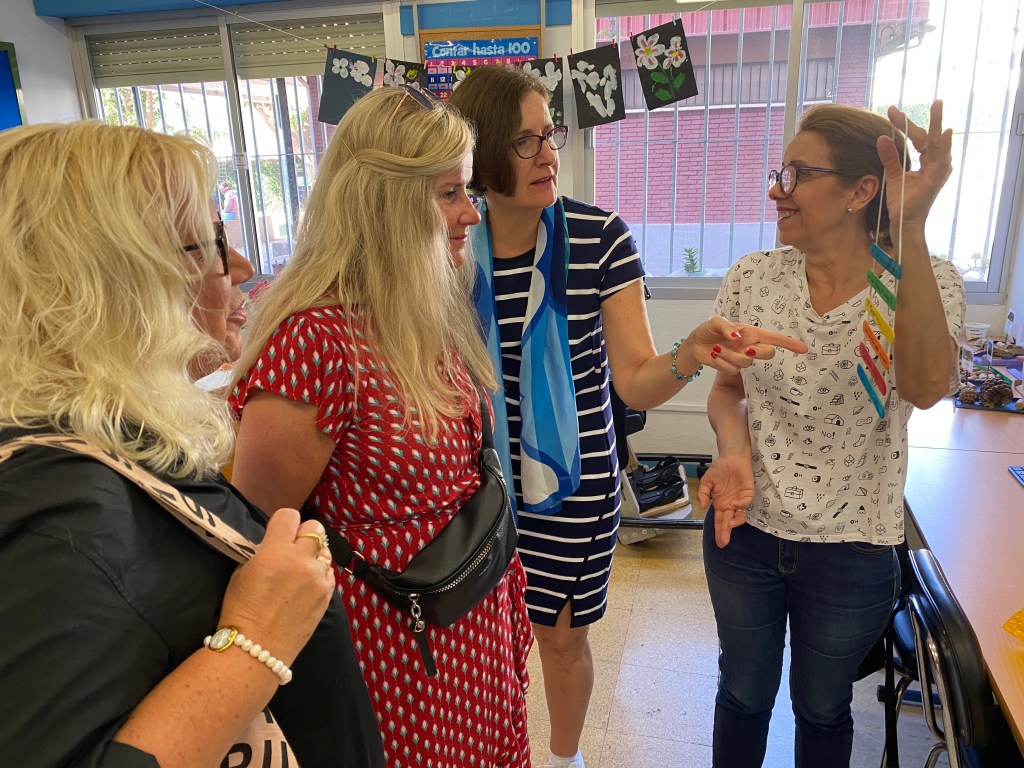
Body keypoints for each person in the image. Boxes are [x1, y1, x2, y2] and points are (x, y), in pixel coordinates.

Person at [447, 64, 808, 768]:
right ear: (482, 152)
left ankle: (564, 758)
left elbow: (636, 383)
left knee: (561, 641)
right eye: (525, 141)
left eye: (549, 134)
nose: (548, 155)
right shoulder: (450, 243)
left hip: (573, 484)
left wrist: (691, 351)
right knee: (482, 638)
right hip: (473, 483)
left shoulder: (598, 238)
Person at [0, 121, 384, 768]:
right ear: (113, 278)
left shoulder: (102, 440)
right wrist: (255, 640)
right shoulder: (56, 507)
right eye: (211, 244)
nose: (242, 268)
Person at [228, 86, 534, 768]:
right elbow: (256, 538)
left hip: (467, 632)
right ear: (385, 202)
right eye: (450, 193)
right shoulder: (314, 341)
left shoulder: (423, 312)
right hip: (390, 658)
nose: (471, 213)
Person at [698, 100, 965, 767]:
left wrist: (910, 231)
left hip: (853, 550)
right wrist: (733, 452)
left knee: (822, 707)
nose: (775, 191)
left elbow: (926, 387)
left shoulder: (924, 281)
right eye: (778, 173)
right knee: (742, 693)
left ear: (861, 191)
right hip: (746, 531)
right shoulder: (754, 277)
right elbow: (727, 389)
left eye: (796, 175)